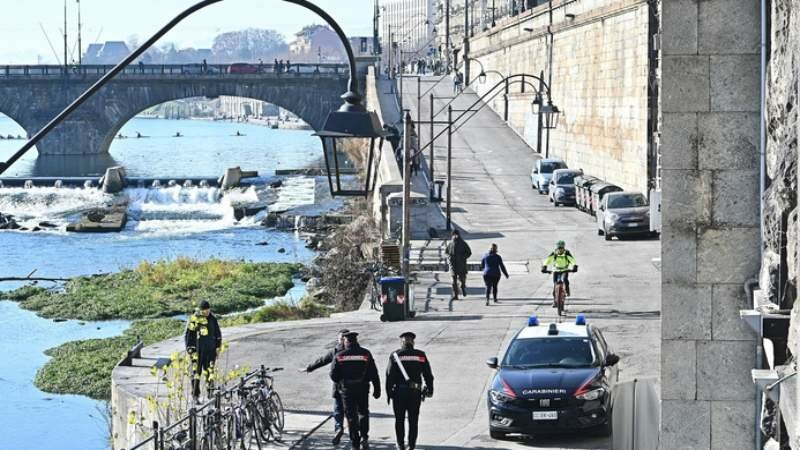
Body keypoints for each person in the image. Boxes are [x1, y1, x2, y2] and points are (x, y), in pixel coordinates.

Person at [299, 329, 350, 445]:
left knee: (338, 410)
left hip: (339, 386)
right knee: (349, 410)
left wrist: (309, 368)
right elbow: (322, 360)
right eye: (340, 338)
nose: (341, 340)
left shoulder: (336, 351)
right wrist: (309, 368)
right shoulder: (354, 351)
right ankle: (351, 431)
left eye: (343, 338)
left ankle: (339, 428)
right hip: (352, 387)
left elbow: (322, 360)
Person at [330, 331, 380, 450]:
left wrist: (341, 381)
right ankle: (365, 437)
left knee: (351, 416)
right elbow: (373, 372)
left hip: (347, 390)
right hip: (363, 388)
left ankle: (355, 443)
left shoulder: (340, 355)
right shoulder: (366, 353)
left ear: (346, 341)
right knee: (363, 413)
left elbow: (333, 375)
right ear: (356, 341)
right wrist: (377, 389)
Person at [386, 332, 434, 450]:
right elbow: (428, 374)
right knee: (413, 420)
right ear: (413, 342)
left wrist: (389, 393)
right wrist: (430, 389)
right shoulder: (420, 355)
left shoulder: (395, 355)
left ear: (402, 341)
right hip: (415, 392)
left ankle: (400, 444)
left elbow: (389, 376)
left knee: (399, 419)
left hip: (399, 392)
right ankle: (411, 445)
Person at [184, 300, 222, 400]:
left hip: (210, 351)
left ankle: (211, 393)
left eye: (208, 310)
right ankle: (195, 395)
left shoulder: (213, 319)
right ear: (200, 310)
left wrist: (218, 347)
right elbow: (188, 335)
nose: (206, 312)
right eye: (204, 311)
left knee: (210, 372)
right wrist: (190, 349)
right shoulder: (194, 319)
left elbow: (218, 334)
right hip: (197, 352)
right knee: (196, 373)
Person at [445, 230, 472, 300]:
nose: (455, 236)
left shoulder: (463, 243)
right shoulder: (450, 243)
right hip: (453, 265)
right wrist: (449, 258)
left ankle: (463, 287)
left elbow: (469, 252)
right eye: (454, 235)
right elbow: (446, 252)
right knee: (454, 281)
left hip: (461, 265)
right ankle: (455, 295)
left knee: (462, 279)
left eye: (456, 235)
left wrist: (463, 257)